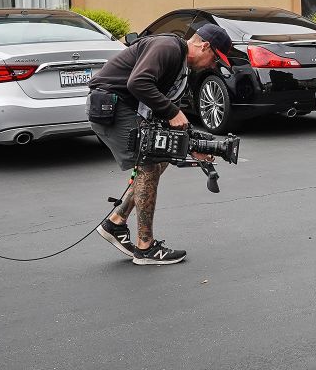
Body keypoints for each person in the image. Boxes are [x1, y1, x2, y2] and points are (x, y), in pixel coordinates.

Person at [87, 25, 232, 265]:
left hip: (124, 107)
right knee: (149, 165)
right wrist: (171, 111)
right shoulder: (168, 47)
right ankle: (145, 247)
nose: (213, 65)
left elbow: (161, 105)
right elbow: (139, 83)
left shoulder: (180, 66)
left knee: (162, 156)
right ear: (204, 46)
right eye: (215, 58)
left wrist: (192, 145)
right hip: (111, 106)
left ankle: (115, 223)